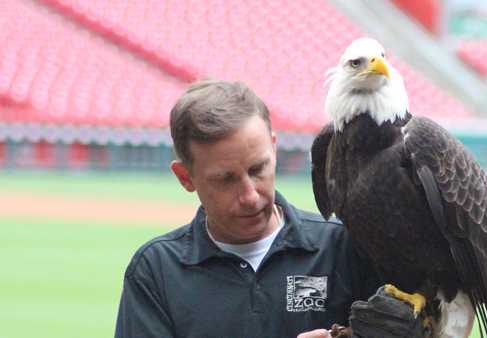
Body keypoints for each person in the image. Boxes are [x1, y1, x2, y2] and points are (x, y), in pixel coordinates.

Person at [114, 79, 381, 338]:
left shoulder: (345, 248)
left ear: (274, 150)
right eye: (225, 179)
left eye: (257, 169)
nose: (250, 196)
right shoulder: (157, 271)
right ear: (185, 177)